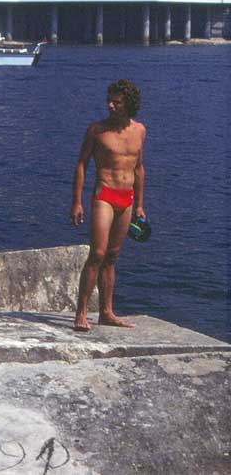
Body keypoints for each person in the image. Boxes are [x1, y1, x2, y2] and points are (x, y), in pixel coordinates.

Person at [70, 79, 146, 332]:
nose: (111, 105)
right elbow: (81, 164)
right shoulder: (97, 130)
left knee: (112, 256)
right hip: (104, 194)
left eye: (117, 102)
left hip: (127, 199)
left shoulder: (140, 131)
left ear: (130, 104)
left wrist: (139, 206)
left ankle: (106, 312)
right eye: (109, 101)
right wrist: (77, 202)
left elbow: (139, 168)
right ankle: (81, 313)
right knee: (98, 254)